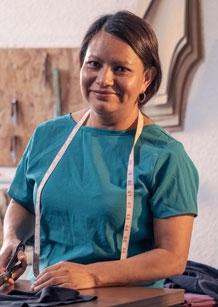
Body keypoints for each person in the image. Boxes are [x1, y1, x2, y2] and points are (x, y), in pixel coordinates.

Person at [0, 10, 198, 291]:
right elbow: (22, 202)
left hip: (126, 301)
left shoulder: (165, 155)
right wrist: (11, 238)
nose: (103, 79)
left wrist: (92, 275)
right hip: (44, 294)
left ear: (146, 78)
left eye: (121, 69)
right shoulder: (47, 135)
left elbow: (172, 257)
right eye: (94, 64)